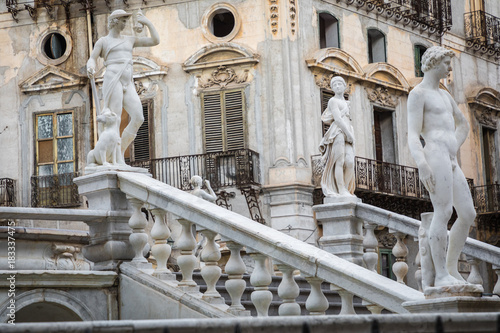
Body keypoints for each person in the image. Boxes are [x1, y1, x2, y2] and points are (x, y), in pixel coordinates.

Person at [407, 46, 476, 287]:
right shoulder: (418, 94)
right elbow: (413, 135)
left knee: (468, 213)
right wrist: (422, 164)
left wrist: (452, 147)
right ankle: (442, 275)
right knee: (444, 212)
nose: (449, 67)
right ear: (434, 63)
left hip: (449, 157)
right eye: (446, 63)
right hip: (434, 154)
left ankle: (450, 267)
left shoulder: (445, 96)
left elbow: (464, 125)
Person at [86, 9, 160, 165]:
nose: (125, 23)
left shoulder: (130, 40)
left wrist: (146, 22)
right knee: (116, 119)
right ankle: (117, 158)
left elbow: (155, 40)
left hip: (128, 81)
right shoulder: (103, 42)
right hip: (113, 79)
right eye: (123, 20)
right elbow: (92, 58)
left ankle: (119, 151)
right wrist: (90, 67)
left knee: (139, 117)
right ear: (114, 22)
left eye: (126, 20)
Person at [319, 76, 355, 197]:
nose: (337, 86)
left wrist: (351, 134)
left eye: (340, 84)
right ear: (332, 88)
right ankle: (341, 190)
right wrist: (348, 134)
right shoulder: (332, 101)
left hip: (348, 132)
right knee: (339, 161)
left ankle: (345, 188)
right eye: (334, 85)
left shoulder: (347, 103)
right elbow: (338, 120)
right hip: (338, 132)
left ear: (345, 86)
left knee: (350, 162)